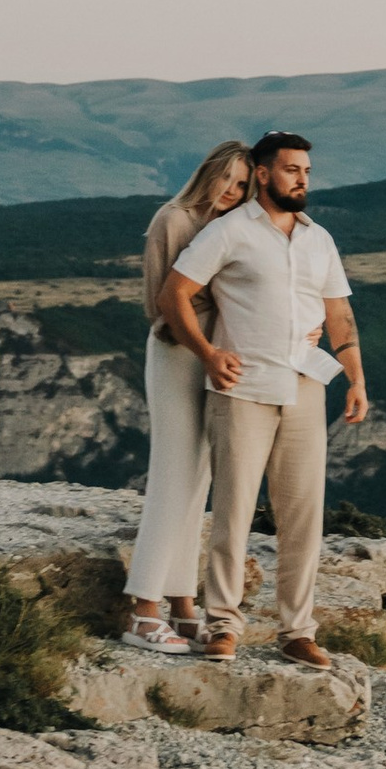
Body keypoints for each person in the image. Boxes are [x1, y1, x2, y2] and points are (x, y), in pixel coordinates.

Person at [160, 132, 368, 666]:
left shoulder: (319, 238)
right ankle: (223, 625)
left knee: (303, 516)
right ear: (261, 172)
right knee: (233, 513)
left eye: (306, 171)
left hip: (305, 389)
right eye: (291, 169)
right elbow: (174, 294)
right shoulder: (229, 232)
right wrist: (208, 354)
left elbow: (339, 312)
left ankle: (297, 631)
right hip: (243, 390)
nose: (302, 179)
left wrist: (357, 380)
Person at [121, 141, 254, 650]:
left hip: (221, 351)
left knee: (199, 479)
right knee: (174, 473)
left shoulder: (233, 227)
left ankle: (180, 603)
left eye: (243, 186)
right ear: (209, 174)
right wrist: (202, 343)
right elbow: (160, 302)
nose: (233, 191)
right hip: (180, 350)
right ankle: (142, 610)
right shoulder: (172, 219)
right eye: (228, 180)